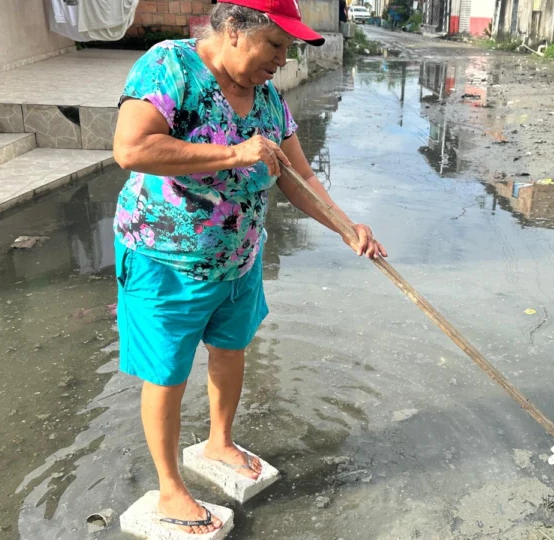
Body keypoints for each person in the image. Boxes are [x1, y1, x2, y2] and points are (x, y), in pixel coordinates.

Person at [111, 0, 387, 534]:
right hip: (166, 260)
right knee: (166, 373)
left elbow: (299, 177)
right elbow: (132, 148)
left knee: (230, 349)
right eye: (276, 45)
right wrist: (234, 154)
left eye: (288, 49)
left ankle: (219, 441)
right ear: (235, 28)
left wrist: (346, 226)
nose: (283, 60)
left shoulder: (267, 98)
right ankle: (170, 489)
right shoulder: (170, 66)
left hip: (238, 259)